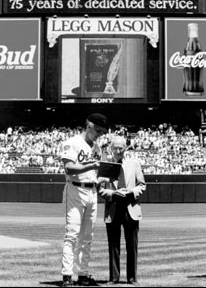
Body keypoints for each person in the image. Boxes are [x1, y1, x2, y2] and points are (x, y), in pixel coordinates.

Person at [60, 113, 109, 287]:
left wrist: (104, 179)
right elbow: (69, 168)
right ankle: (67, 276)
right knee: (72, 234)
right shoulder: (72, 142)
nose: (99, 135)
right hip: (75, 189)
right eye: (98, 130)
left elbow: (96, 173)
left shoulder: (97, 148)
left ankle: (82, 275)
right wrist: (92, 165)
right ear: (89, 125)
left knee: (87, 236)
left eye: (102, 132)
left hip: (92, 191)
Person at [98, 135, 146, 286]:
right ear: (111, 149)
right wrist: (113, 194)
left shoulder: (134, 163)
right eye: (115, 148)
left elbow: (142, 185)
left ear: (126, 148)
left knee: (132, 245)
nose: (118, 151)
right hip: (113, 207)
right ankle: (114, 278)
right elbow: (99, 189)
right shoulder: (106, 166)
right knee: (113, 245)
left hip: (130, 207)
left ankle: (132, 278)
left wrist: (131, 192)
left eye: (121, 148)